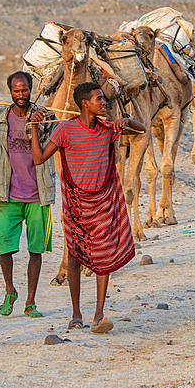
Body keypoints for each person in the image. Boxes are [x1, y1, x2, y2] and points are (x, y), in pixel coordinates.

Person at [29, 81, 143, 333]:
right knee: (75, 255)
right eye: (99, 99)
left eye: (103, 99)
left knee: (104, 256)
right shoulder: (65, 130)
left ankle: (99, 314)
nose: (104, 103)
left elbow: (141, 130)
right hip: (77, 205)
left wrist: (126, 121)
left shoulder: (107, 128)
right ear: (84, 104)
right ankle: (76, 313)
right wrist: (35, 128)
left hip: (103, 202)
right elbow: (39, 159)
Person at [0, 71, 56, 318]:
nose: (21, 95)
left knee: (36, 250)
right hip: (7, 195)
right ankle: (10, 291)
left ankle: (31, 302)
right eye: (16, 91)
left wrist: (39, 126)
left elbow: (54, 145)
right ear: (10, 92)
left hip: (39, 194)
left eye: (25, 90)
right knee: (4, 246)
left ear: (31, 89)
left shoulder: (47, 117)